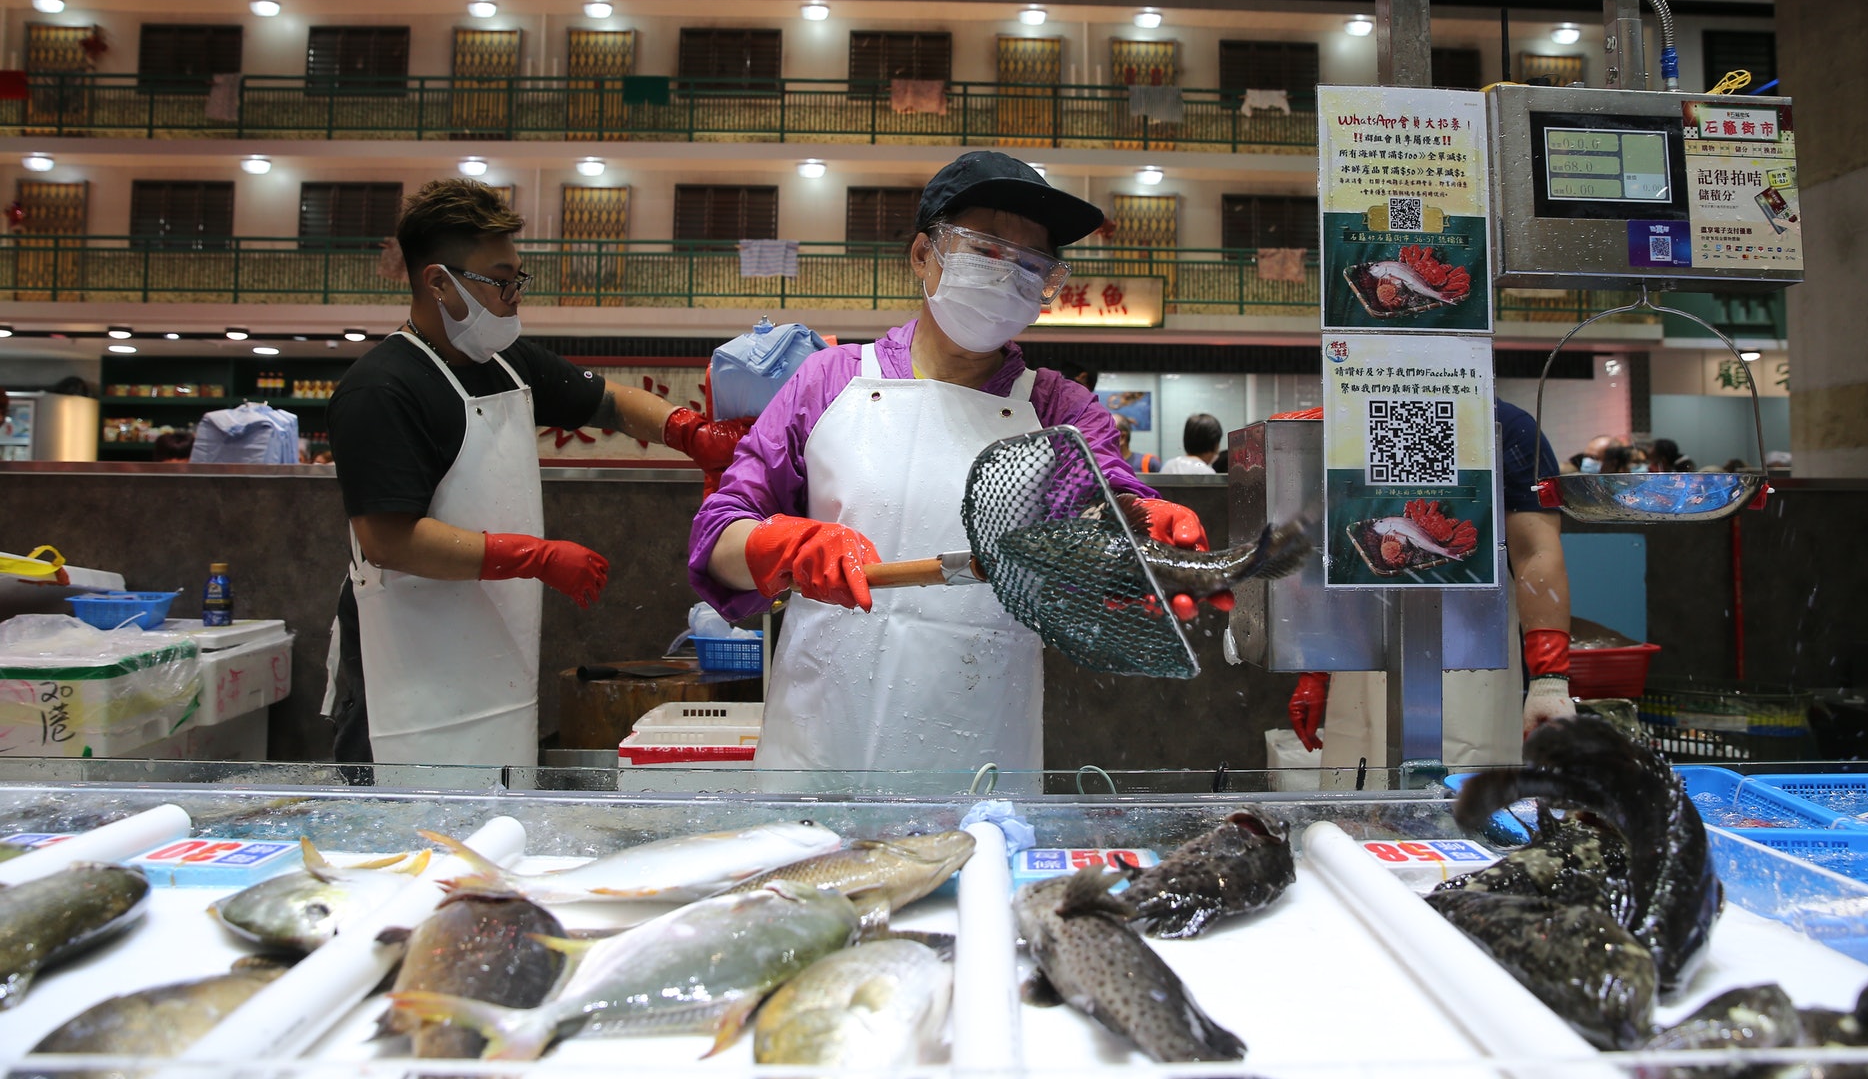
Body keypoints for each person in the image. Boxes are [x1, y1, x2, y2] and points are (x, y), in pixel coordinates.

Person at [689, 150, 1220, 778]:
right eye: (986, 250)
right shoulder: (827, 381)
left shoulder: (1059, 410)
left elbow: (1105, 503)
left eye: (1031, 265)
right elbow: (718, 533)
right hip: (820, 746)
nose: (1007, 276)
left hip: (980, 751)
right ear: (923, 255)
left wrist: (1140, 528)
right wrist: (782, 545)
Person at [322, 179, 748, 766]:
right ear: (439, 282)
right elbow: (389, 540)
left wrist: (692, 433)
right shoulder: (380, 390)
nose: (515, 295)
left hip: (491, 655)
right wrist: (533, 557)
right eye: (500, 281)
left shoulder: (504, 362)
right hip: (400, 666)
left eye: (517, 278)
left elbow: (608, 401)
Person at [1288, 398, 1576, 773]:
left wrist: (1550, 679)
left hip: (1474, 655)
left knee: (1467, 802)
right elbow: (1327, 553)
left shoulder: (1507, 426)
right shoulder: (1345, 426)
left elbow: (1535, 551)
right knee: (1359, 798)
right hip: (1360, 652)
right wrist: (1315, 667)